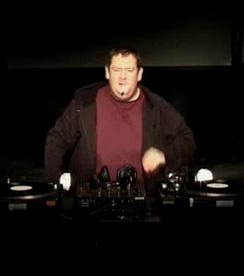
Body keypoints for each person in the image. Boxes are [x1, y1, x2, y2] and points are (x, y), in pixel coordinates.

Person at [44, 47, 196, 189]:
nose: (122, 77)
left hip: (144, 198)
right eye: (116, 70)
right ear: (107, 72)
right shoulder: (84, 103)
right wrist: (53, 184)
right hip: (92, 196)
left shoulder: (157, 107)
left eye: (129, 70)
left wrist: (164, 156)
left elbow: (188, 142)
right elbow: (56, 139)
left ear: (139, 74)